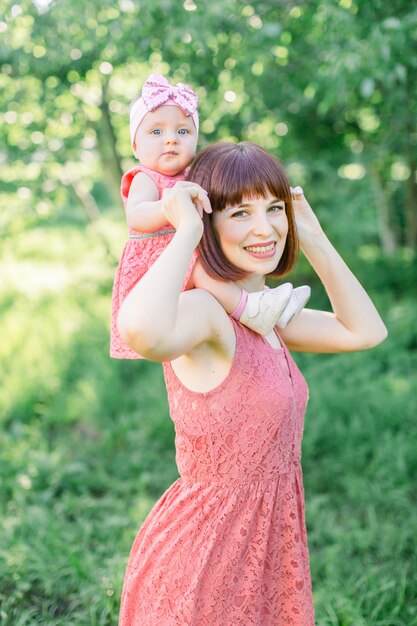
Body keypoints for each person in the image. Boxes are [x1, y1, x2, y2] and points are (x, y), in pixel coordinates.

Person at [116, 141, 387, 625]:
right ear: (208, 222)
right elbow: (141, 330)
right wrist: (182, 235)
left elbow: (365, 331)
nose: (265, 229)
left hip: (267, 550)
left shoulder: (265, 316)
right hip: (206, 559)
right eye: (240, 212)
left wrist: (314, 237)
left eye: (274, 208)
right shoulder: (207, 313)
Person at [110, 74, 310, 359]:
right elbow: (137, 217)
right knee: (203, 273)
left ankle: (266, 305)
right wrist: (169, 205)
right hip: (161, 259)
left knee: (213, 269)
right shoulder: (145, 178)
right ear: (135, 146)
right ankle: (252, 309)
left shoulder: (194, 176)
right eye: (156, 132)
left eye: (182, 132)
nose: (170, 140)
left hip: (192, 251)